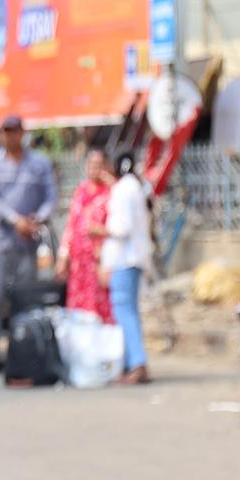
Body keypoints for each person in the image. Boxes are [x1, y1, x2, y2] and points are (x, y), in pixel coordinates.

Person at [0, 115, 56, 373]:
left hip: (28, 243)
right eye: (5, 132)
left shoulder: (40, 164)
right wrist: (14, 220)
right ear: (0, 135)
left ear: (23, 133)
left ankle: (23, 350)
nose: (10, 136)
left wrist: (37, 219)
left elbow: (51, 197)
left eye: (14, 131)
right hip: (0, 242)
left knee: (26, 300)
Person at [104, 152, 155, 386]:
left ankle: (136, 364)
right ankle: (134, 361)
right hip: (136, 257)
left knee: (125, 313)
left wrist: (99, 231)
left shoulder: (123, 189)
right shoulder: (137, 186)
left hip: (125, 259)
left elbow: (121, 228)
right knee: (130, 312)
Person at [57, 146, 113, 322]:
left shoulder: (112, 193)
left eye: (99, 164)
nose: (94, 168)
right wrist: (63, 255)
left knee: (101, 306)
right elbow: (71, 225)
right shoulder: (80, 191)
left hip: (100, 260)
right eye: (91, 164)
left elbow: (119, 227)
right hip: (79, 262)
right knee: (79, 310)